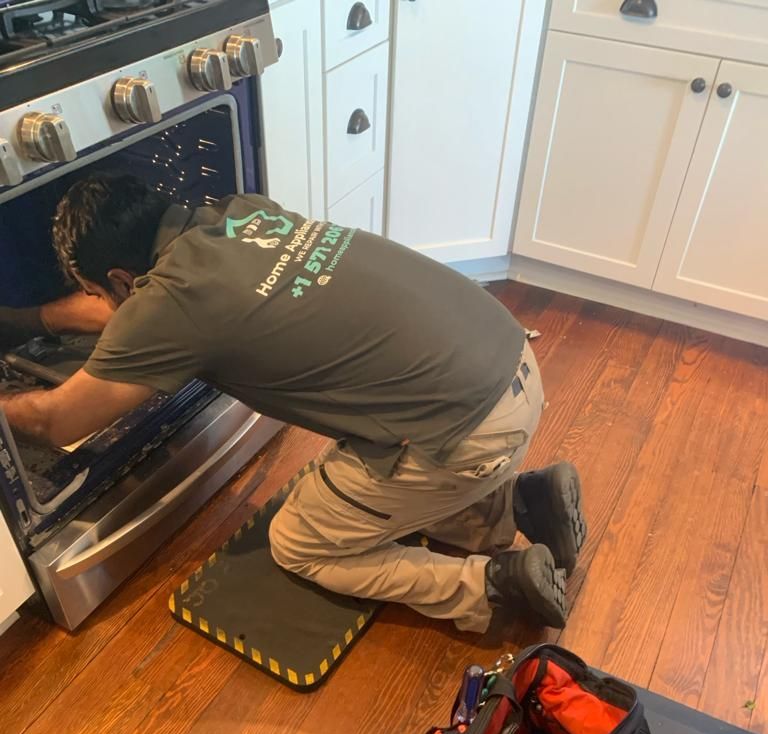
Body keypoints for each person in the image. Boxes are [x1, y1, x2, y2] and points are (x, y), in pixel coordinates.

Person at [0, 173, 587, 633]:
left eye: (99, 291)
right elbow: (126, 315)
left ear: (122, 280)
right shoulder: (242, 214)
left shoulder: (167, 307)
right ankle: (525, 506)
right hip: (512, 362)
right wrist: (23, 322)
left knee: (301, 543)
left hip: (469, 433)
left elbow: (58, 420)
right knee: (396, 467)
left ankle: (494, 584)